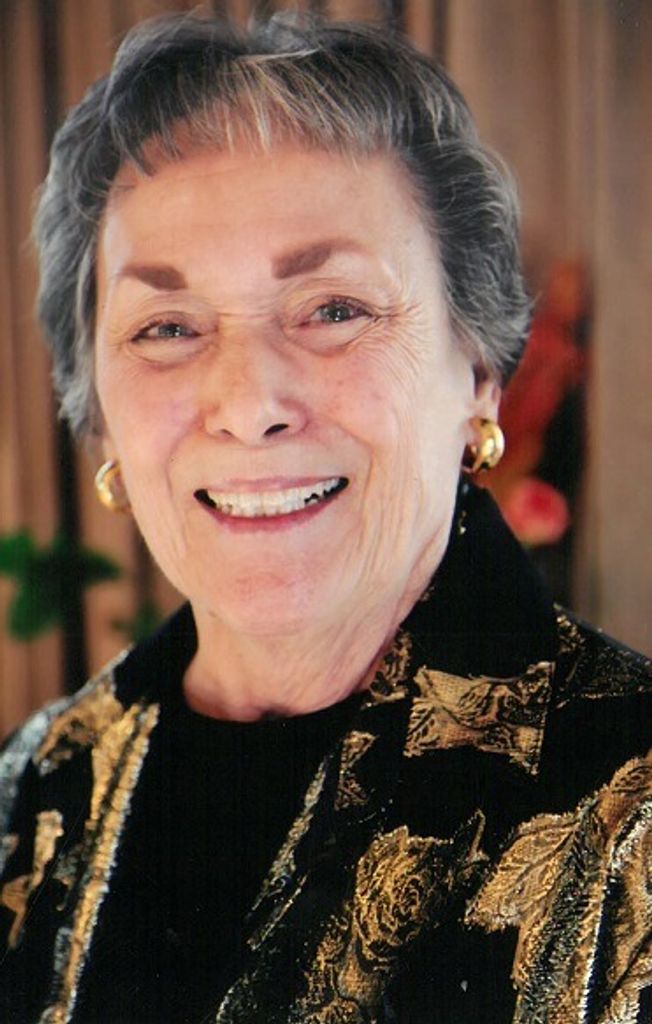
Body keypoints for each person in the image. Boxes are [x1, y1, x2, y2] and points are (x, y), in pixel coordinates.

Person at [0, 12, 650, 1024]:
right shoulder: (28, 792)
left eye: (333, 309)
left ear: (478, 371)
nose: (248, 402)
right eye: (166, 326)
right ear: (100, 415)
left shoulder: (634, 806)